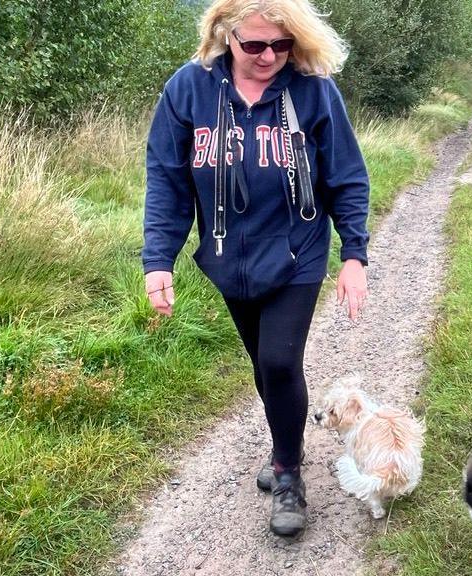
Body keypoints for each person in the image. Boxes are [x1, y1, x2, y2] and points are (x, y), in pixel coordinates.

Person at [141, 0, 369, 538]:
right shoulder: (188, 90)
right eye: (255, 45)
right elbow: (168, 182)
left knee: (280, 361)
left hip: (298, 254)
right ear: (225, 35)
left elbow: (346, 177)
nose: (270, 56)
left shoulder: (313, 91)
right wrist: (159, 261)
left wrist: (353, 253)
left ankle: (289, 475)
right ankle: (286, 443)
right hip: (228, 259)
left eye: (281, 44)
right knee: (265, 368)